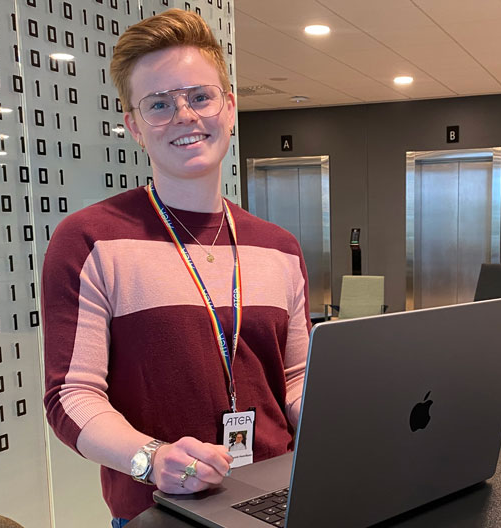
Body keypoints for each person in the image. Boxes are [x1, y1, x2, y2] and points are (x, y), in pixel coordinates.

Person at [41, 9, 311, 526]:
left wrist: (342, 414)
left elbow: (293, 379)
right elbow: (70, 395)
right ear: (134, 126)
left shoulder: (279, 247)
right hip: (163, 513)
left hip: (281, 499)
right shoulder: (89, 240)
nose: (184, 116)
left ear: (229, 107)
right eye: (159, 104)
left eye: (200, 97)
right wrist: (150, 458)